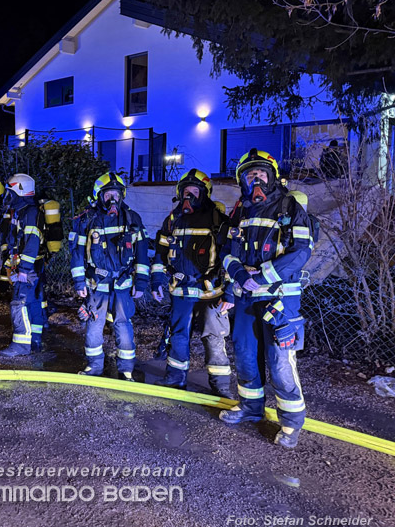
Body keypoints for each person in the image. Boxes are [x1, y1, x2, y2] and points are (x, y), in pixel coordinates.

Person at [219, 148, 312, 449]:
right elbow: (224, 250)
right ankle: (250, 408)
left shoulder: (290, 207)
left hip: (280, 302)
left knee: (280, 363)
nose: (255, 180)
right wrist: (237, 273)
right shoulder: (240, 212)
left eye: (261, 174)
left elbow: (301, 252)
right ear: (243, 181)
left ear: (272, 177)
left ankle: (291, 423)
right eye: (250, 175)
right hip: (246, 299)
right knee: (245, 356)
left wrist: (259, 277)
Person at [150, 169, 232, 397]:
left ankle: (221, 386)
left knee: (214, 337)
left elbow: (230, 257)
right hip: (182, 290)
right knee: (178, 335)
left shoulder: (218, 220)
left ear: (205, 194)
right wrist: (157, 279)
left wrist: (230, 292)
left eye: (195, 191)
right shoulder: (173, 219)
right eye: (186, 191)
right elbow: (160, 252)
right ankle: (176, 378)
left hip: (211, 292)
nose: (189, 196)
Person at [69, 172, 150, 380]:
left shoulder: (132, 218)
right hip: (97, 283)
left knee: (123, 325)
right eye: (108, 194)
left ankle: (126, 369)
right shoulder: (87, 220)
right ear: (99, 196)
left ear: (122, 195)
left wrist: (141, 281)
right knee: (94, 324)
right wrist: (79, 281)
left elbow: (142, 252)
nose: (112, 198)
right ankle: (94, 366)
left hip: (123, 283)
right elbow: (77, 253)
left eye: (116, 193)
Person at [0, 174, 45, 356]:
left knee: (19, 303)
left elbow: (32, 242)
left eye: (10, 192)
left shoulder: (30, 213)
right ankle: (35, 340)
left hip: (28, 268)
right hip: (27, 266)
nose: (7, 196)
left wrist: (24, 270)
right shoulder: (23, 211)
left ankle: (21, 344)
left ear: (19, 191)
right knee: (32, 302)